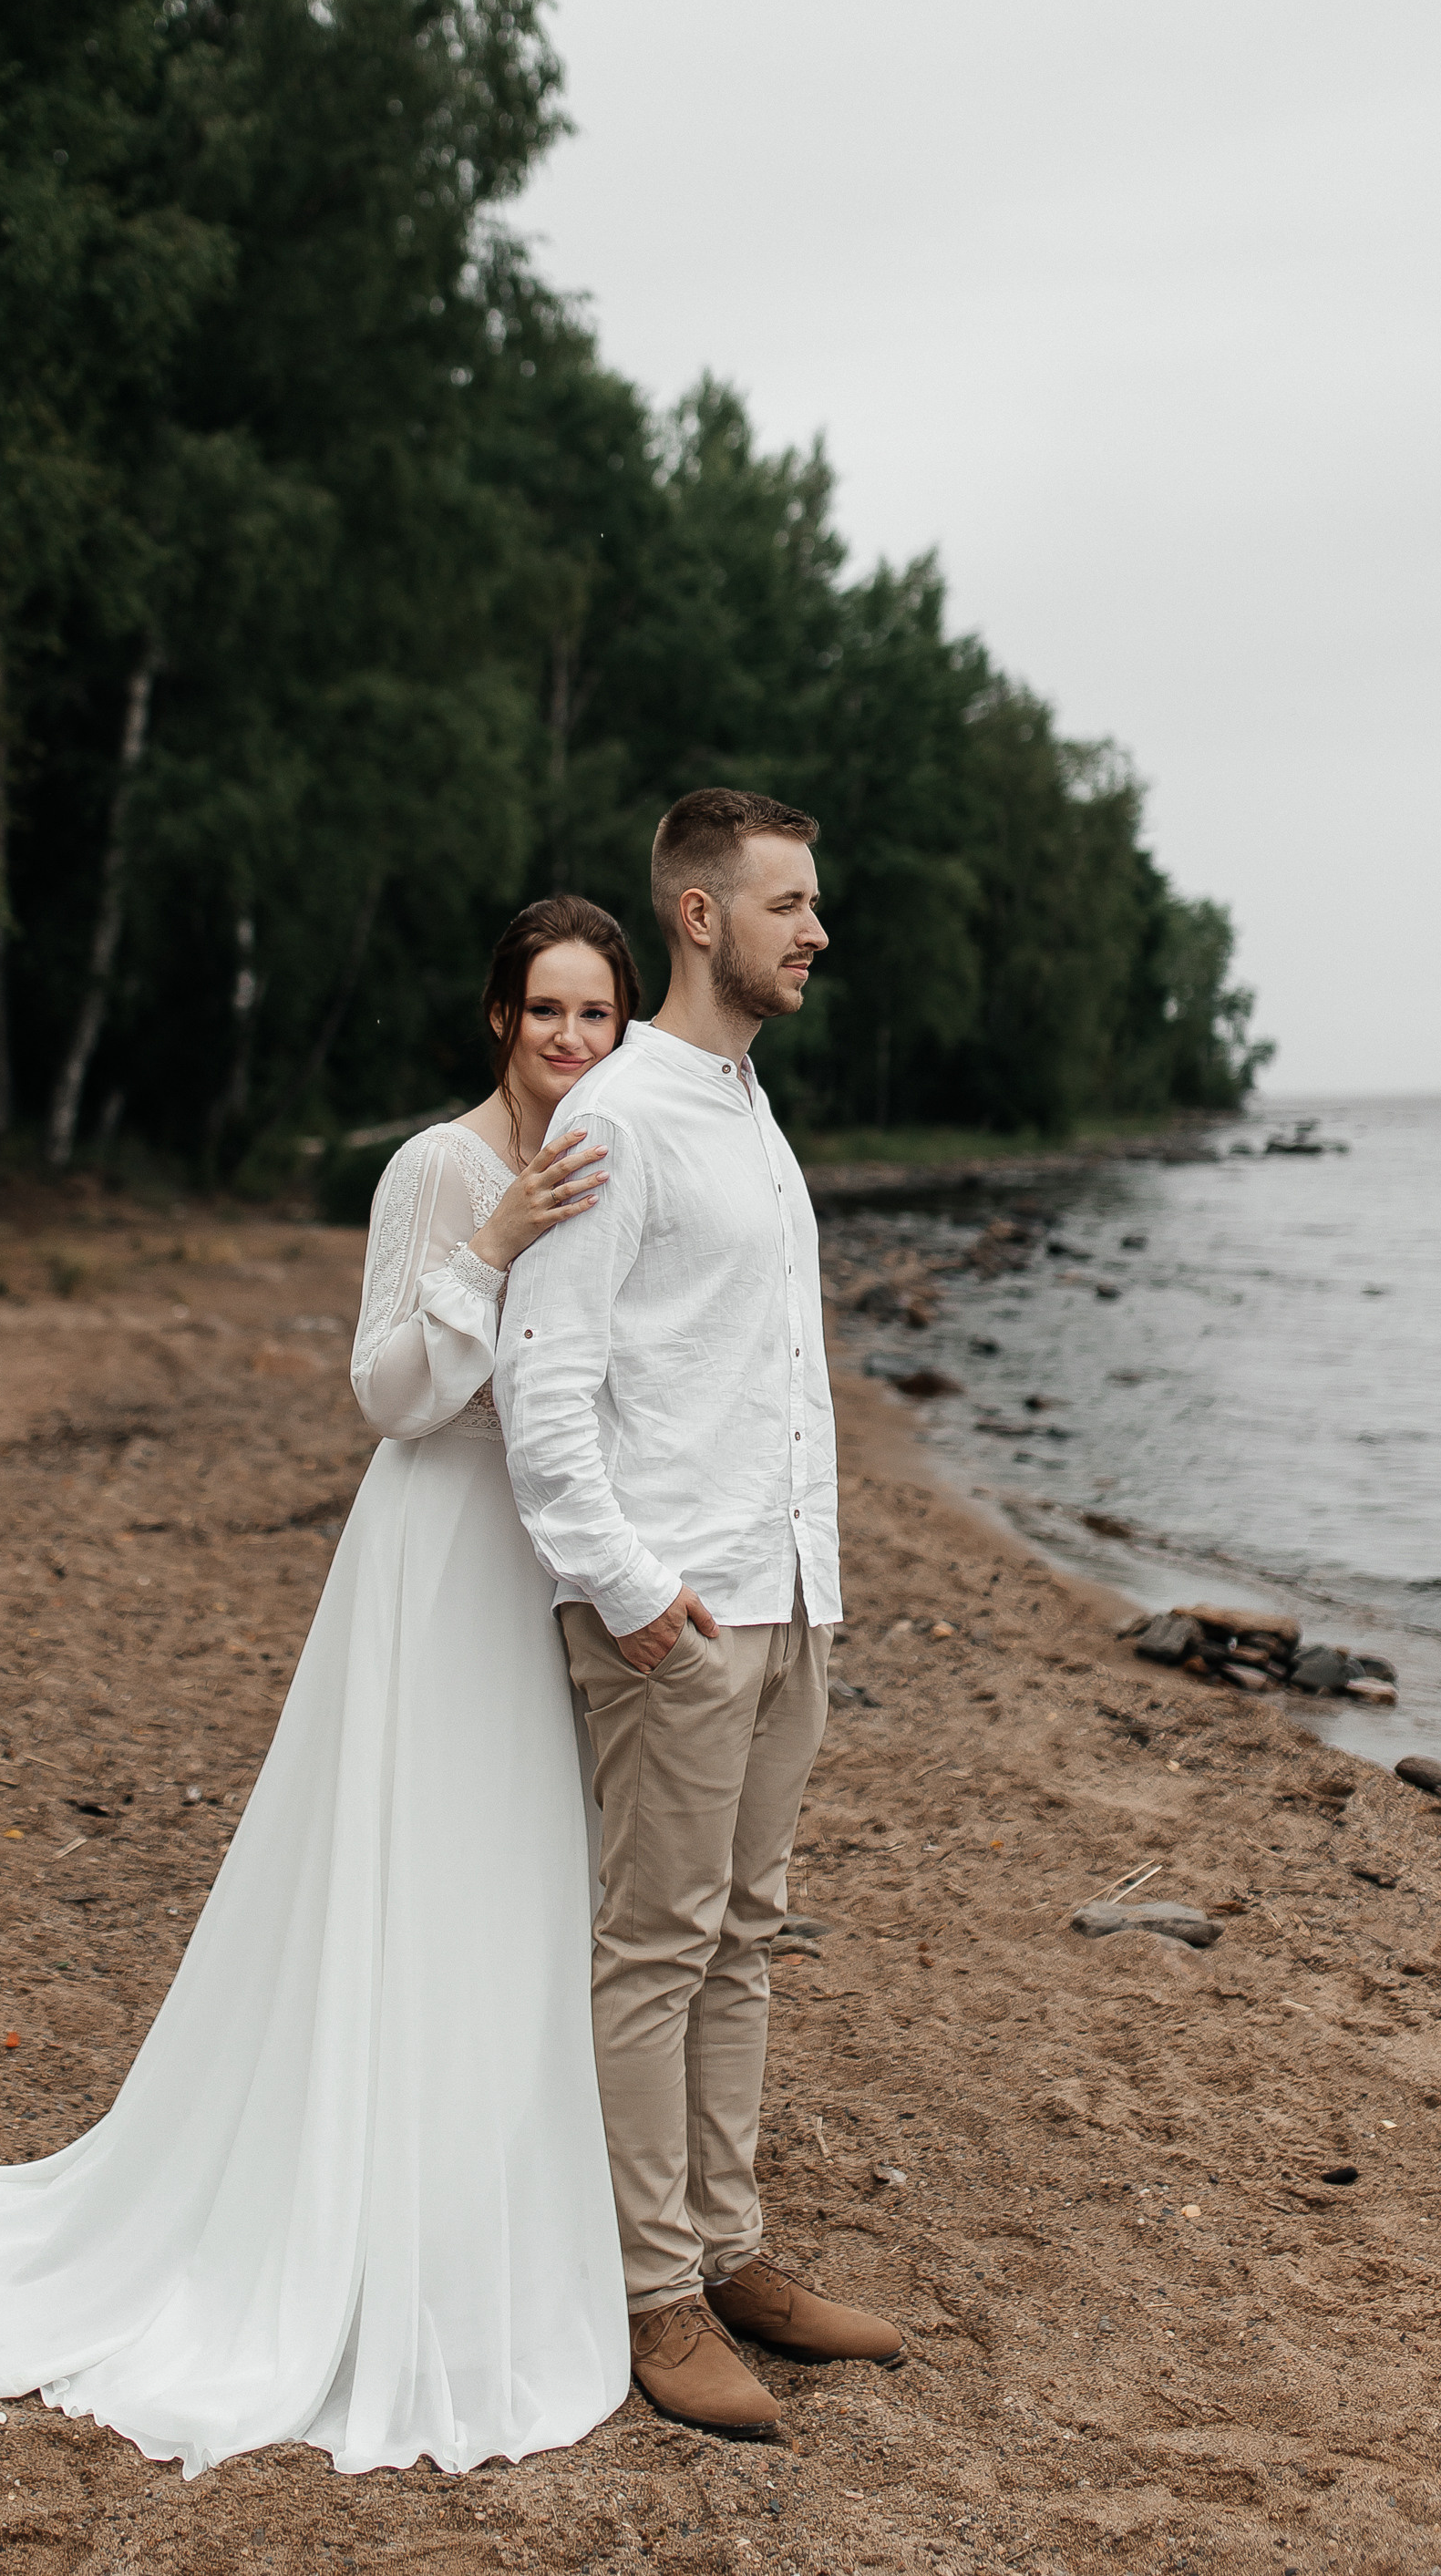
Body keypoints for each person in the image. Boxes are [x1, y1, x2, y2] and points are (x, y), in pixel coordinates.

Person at [0, 893, 642, 2478]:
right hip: (434, 1555)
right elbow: (384, 1394)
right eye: (546, 1011)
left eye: (598, 1015)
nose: (571, 1041)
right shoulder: (437, 1171)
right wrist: (494, 1245)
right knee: (408, 1876)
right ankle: (342, 2242)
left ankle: (477, 2228)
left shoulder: (614, 1159)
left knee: (514, 1889)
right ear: (497, 1018)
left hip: (542, 1560)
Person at [495, 789, 907, 2444]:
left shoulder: (744, 1106)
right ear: (697, 916)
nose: (815, 930)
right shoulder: (622, 1115)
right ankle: (652, 2296)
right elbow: (548, 1384)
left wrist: (807, 1580)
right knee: (655, 1952)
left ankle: (730, 2254)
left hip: (783, 1592)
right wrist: (634, 1590)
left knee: (746, 1936)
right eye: (788, 903)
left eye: (812, 904)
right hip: (677, 1616)